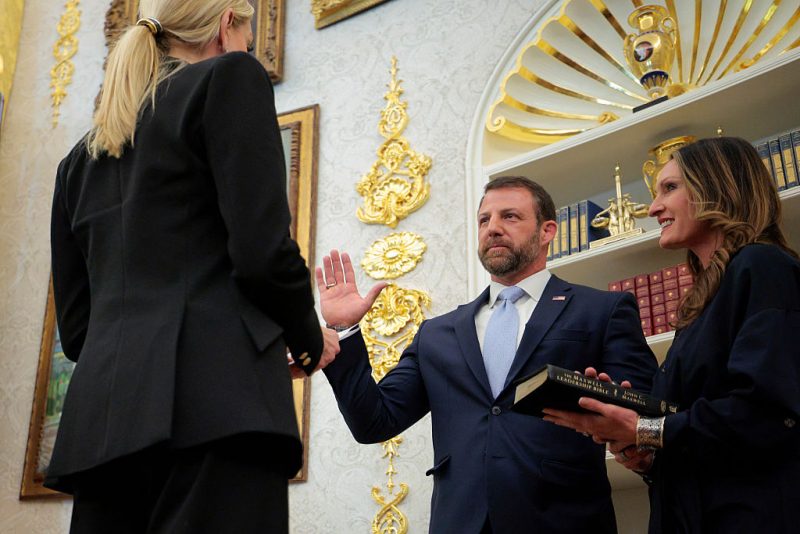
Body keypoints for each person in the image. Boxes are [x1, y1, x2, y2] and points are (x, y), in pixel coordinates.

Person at [45, 1, 339, 532]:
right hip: (217, 417)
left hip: (104, 431)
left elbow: (77, 329)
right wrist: (307, 338)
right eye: (247, 35)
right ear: (228, 26)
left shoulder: (76, 164)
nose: (248, 49)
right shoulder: (229, 76)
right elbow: (262, 254)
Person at [317, 176, 658, 533]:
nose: (493, 228)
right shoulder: (437, 334)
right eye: (484, 220)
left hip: (564, 519)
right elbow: (374, 422)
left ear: (547, 231)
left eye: (510, 217)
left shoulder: (602, 309)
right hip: (460, 521)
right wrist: (345, 331)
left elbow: (642, 410)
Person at [543, 137, 800, 533]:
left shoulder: (762, 266)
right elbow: (702, 437)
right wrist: (644, 452)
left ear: (718, 187)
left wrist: (642, 428)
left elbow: (765, 413)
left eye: (670, 188)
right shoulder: (701, 302)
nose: (653, 207)